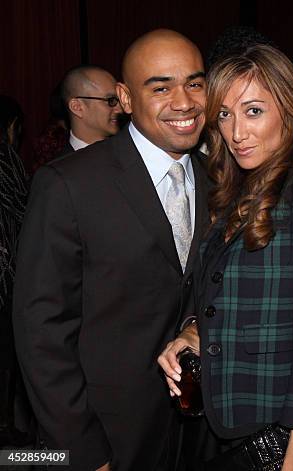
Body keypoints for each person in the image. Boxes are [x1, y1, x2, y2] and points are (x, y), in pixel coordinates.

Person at [13, 29, 208, 470]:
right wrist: (82, 452)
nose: (184, 102)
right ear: (125, 97)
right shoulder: (68, 184)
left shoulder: (220, 176)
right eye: (161, 87)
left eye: (195, 83)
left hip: (198, 434)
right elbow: (41, 332)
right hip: (105, 436)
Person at [158, 44, 293, 470]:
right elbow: (218, 293)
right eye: (225, 114)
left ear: (289, 109)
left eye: (253, 111)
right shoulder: (237, 189)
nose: (236, 132)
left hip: (283, 430)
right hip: (227, 419)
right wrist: (193, 331)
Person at [0, 95, 29, 447]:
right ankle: (6, 427)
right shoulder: (5, 157)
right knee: (7, 354)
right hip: (6, 278)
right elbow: (24, 205)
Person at [59, 65, 123, 155]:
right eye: (110, 101)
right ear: (77, 107)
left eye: (120, 100)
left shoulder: (128, 153)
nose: (120, 109)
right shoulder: (61, 167)